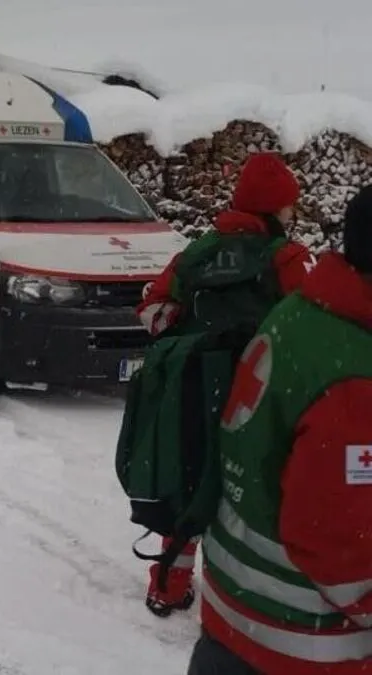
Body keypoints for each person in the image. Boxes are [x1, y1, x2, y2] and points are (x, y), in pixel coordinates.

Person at [186, 184, 372, 674]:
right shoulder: (357, 378)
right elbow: (333, 540)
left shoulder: (303, 313)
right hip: (300, 641)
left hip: (233, 614)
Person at [134, 152, 317, 617]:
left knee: (192, 485)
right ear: (273, 210)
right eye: (288, 208)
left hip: (195, 391)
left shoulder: (195, 254)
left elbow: (153, 314)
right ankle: (246, 597)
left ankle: (168, 586)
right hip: (261, 398)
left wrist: (194, 337)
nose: (292, 216)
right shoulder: (288, 258)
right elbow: (314, 325)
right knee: (255, 495)